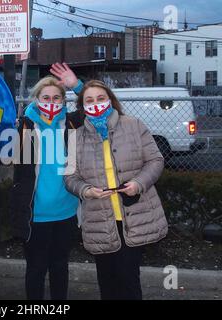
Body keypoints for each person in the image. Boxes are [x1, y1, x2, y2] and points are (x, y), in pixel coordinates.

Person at [64, 80, 168, 300]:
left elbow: (155, 161)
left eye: (100, 98)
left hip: (134, 217)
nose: (96, 104)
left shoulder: (134, 125)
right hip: (100, 220)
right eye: (89, 100)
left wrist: (138, 183)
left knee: (128, 279)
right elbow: (70, 177)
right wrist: (86, 190)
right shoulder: (76, 137)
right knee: (107, 281)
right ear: (82, 106)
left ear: (110, 100)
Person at [9, 63, 83, 300]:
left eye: (56, 97)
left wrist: (77, 86)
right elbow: (8, 154)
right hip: (36, 214)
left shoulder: (71, 123)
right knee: (36, 270)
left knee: (60, 268)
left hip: (67, 212)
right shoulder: (24, 125)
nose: (51, 101)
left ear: (63, 100)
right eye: (45, 97)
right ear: (36, 99)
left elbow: (100, 107)